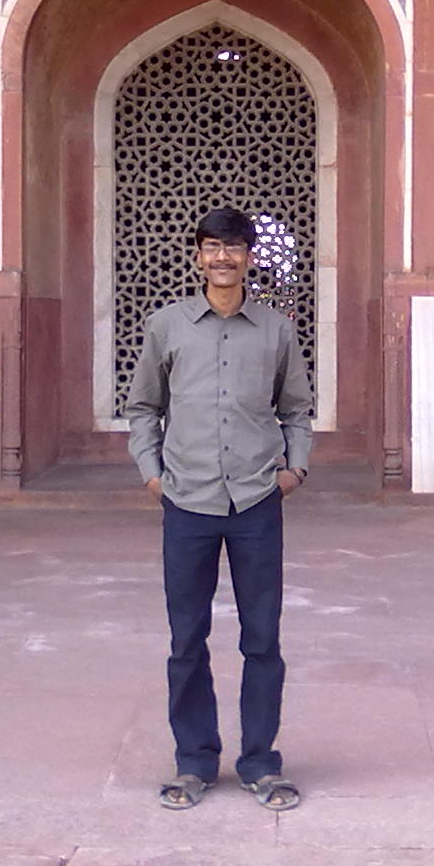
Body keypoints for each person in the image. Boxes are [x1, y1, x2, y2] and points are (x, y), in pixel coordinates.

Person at [124, 207, 313, 812]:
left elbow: (296, 409)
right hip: (188, 502)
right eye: (211, 247)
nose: (223, 257)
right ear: (198, 256)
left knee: (262, 639)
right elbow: (143, 407)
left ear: (250, 256)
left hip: (257, 500)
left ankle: (260, 762)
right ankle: (195, 763)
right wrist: (154, 476)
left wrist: (294, 469)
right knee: (187, 638)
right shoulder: (167, 327)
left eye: (233, 247)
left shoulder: (276, 330)